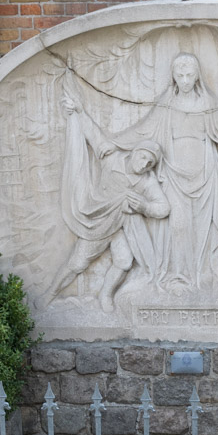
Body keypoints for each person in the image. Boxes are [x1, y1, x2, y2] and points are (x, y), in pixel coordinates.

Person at [69, 53, 218, 293]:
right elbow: (142, 131)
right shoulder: (166, 106)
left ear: (197, 77)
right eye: (180, 76)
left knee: (203, 231)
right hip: (174, 176)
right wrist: (113, 142)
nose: (185, 80)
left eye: (189, 75)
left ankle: (202, 280)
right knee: (178, 226)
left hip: (205, 177)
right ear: (174, 78)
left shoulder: (207, 105)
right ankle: (177, 277)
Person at [50, 95, 170, 312]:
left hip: (120, 226)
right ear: (135, 151)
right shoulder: (112, 158)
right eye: (142, 157)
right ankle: (50, 294)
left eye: (149, 163)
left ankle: (105, 295)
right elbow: (93, 135)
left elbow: (163, 208)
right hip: (98, 221)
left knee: (124, 261)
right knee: (77, 263)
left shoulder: (147, 181)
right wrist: (78, 110)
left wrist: (144, 206)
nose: (143, 164)